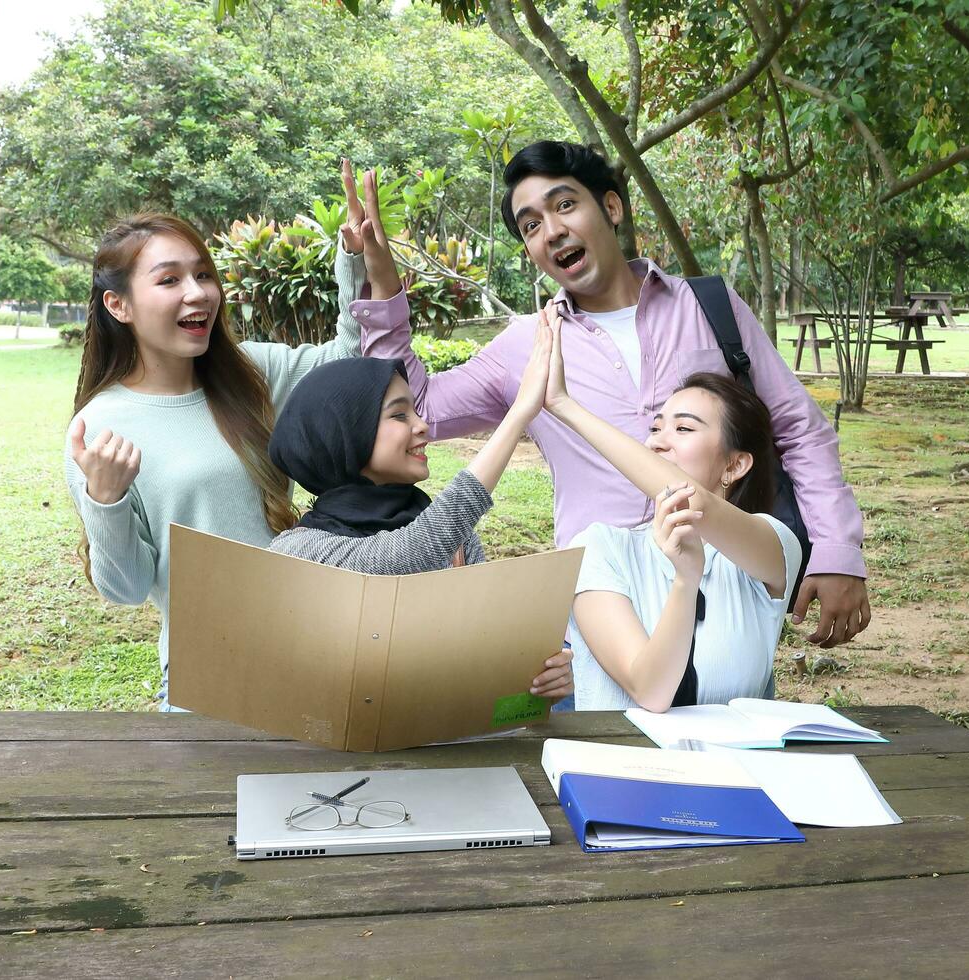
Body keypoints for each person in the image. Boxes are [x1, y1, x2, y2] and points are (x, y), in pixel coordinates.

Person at [349, 141, 870, 649]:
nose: (552, 231)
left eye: (566, 205)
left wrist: (837, 550)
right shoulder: (526, 346)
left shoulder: (710, 307)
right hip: (601, 614)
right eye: (531, 225)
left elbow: (799, 428)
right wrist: (382, 281)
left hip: (726, 604)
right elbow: (416, 408)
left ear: (612, 206)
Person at [65, 196, 369, 710]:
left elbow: (348, 362)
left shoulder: (251, 372)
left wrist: (353, 259)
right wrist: (106, 498)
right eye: (169, 280)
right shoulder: (100, 427)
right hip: (209, 680)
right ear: (119, 306)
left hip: (316, 652)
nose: (198, 294)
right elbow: (127, 588)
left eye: (203, 275)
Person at [263, 346, 572, 699]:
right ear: (344, 433)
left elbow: (483, 654)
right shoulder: (298, 550)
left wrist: (536, 680)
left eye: (416, 411)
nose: (422, 425)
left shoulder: (457, 543)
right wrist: (518, 416)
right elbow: (401, 558)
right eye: (399, 415)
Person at [531, 306, 800, 710]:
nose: (658, 441)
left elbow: (696, 503)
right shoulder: (600, 549)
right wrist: (684, 581)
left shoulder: (773, 547)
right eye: (656, 428)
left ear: (735, 465)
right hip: (620, 770)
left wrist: (565, 405)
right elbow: (651, 691)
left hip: (736, 771)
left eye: (684, 429)